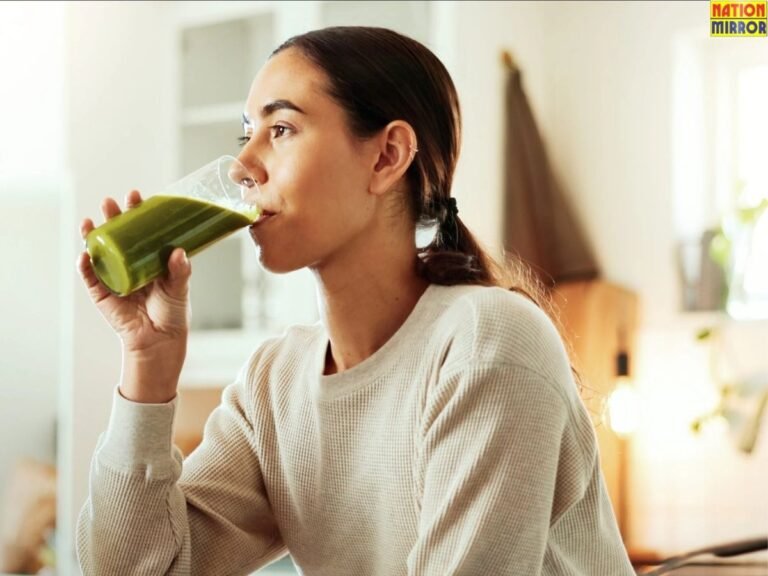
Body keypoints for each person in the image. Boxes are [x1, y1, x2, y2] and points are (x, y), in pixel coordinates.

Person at [75, 26, 635, 576]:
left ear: (387, 156)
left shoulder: (486, 342)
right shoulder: (276, 384)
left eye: (282, 129)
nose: (243, 166)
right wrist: (148, 363)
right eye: (246, 136)